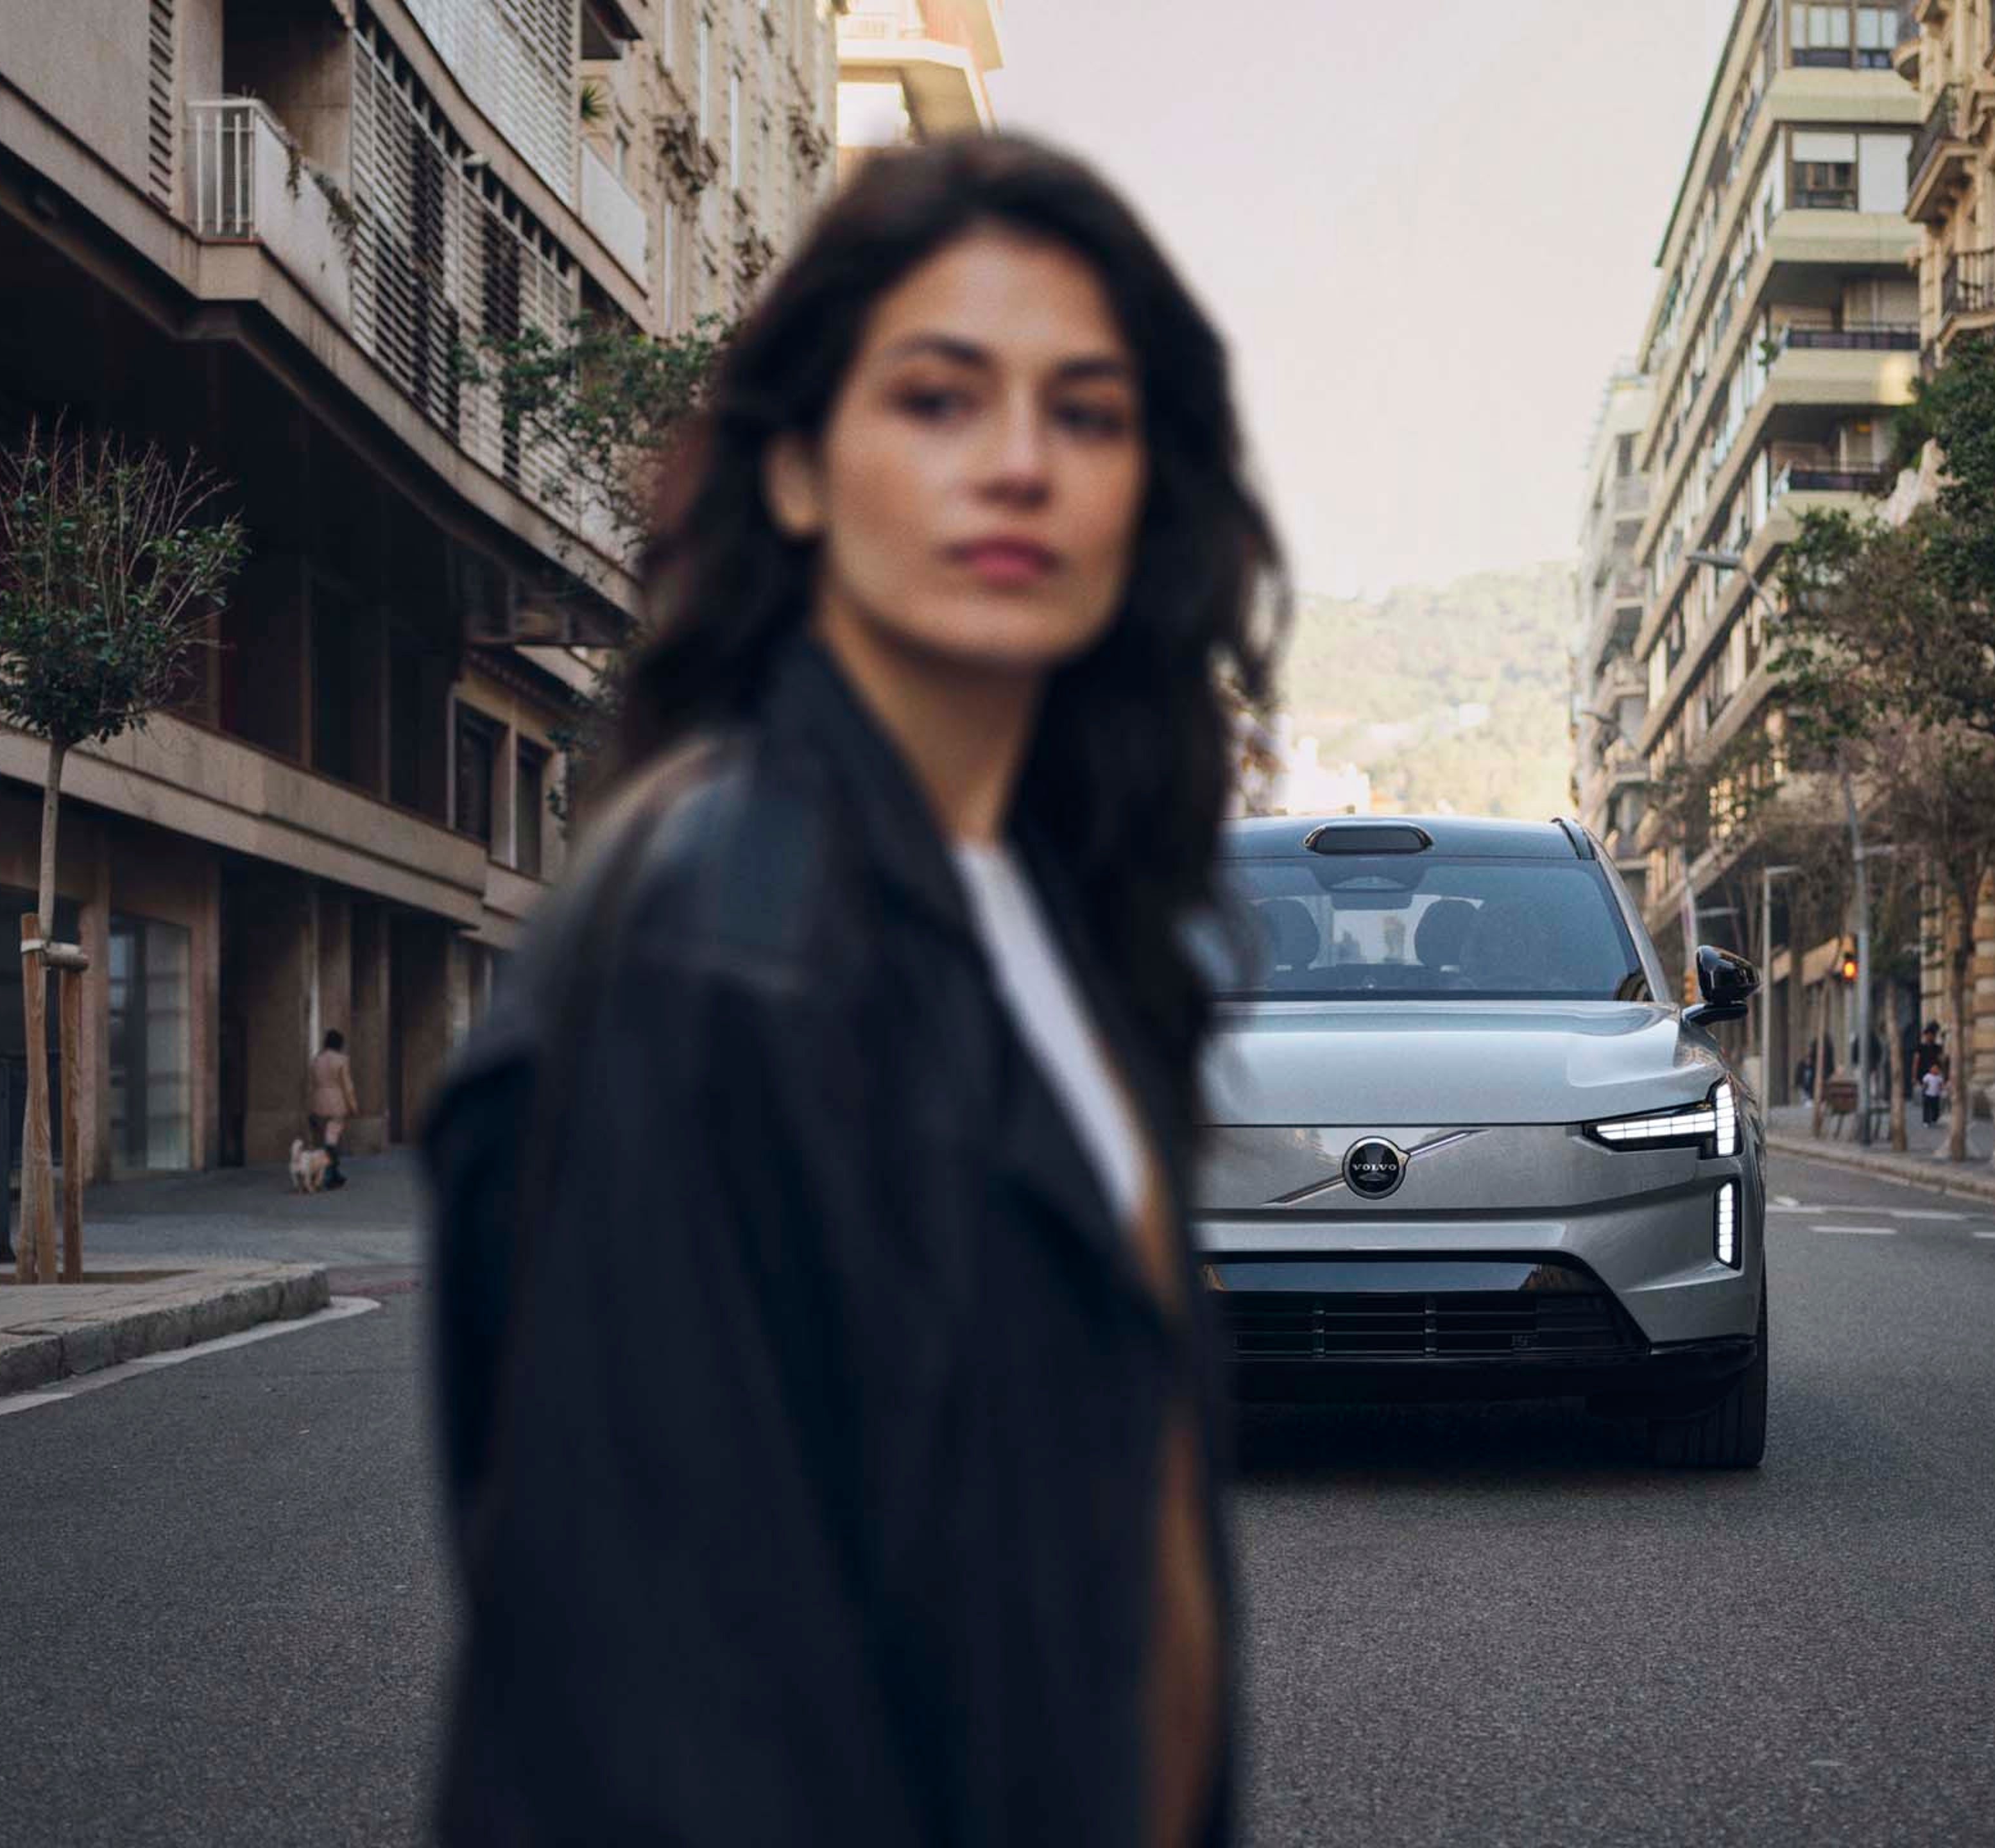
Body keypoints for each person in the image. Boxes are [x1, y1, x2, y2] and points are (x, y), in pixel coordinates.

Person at [425, 134, 1285, 1848]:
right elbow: (666, 1715)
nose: (1022, 466)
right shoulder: (720, 944)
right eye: (940, 400)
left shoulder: (1052, 911)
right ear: (803, 469)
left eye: (1090, 414)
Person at [305, 1028, 355, 1189]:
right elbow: (347, 1086)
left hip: (318, 1102)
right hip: (336, 1104)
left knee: (323, 1143)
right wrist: (353, 1105)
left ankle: (333, 1174)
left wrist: (310, 1104)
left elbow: (310, 1084)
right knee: (332, 1142)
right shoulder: (342, 1060)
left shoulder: (316, 1060)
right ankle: (329, 1175)